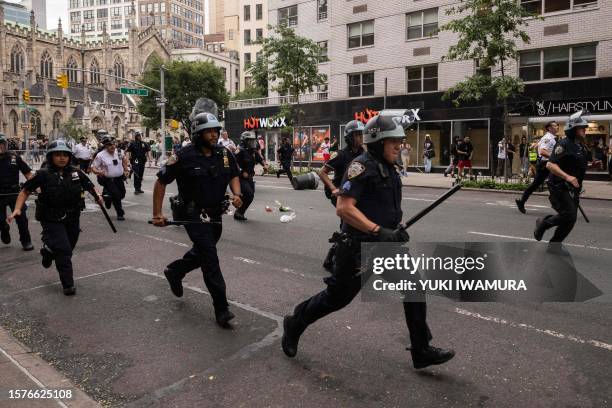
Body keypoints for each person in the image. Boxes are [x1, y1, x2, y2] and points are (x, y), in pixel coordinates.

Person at [281, 113, 455, 369]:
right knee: (336, 298)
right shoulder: (361, 166)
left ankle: (421, 350)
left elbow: (383, 206)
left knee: (414, 288)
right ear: (377, 142)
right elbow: (344, 208)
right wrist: (378, 230)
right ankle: (295, 322)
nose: (399, 146)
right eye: (393, 141)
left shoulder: (389, 167)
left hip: (386, 246)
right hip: (358, 248)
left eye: (400, 140)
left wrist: (394, 230)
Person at [152, 111, 243, 328]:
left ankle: (175, 271)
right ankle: (222, 309)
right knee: (210, 259)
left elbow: (233, 174)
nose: (213, 135)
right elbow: (161, 182)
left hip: (215, 215)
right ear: (197, 134)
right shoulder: (184, 155)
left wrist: (237, 194)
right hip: (193, 214)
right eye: (208, 132)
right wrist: (157, 213)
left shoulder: (224, 153)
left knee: (203, 252)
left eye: (216, 131)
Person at [8, 140, 103, 296]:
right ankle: (68, 285)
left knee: (68, 246)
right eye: (57, 155)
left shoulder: (76, 172)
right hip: (51, 218)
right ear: (51, 156)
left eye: (65, 155)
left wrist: (97, 196)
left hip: (73, 217)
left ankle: (48, 251)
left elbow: (89, 186)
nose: (61, 158)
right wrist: (17, 209)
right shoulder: (43, 174)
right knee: (64, 250)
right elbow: (25, 191)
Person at [534, 112, 588, 250]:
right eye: (581, 127)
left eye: (585, 127)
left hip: (573, 188)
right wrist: (567, 177)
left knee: (571, 219)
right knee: (568, 214)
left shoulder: (580, 146)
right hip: (559, 186)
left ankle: (554, 245)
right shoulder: (563, 144)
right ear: (573, 129)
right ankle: (544, 223)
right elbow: (550, 165)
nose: (585, 129)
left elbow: (575, 164)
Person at [318, 120, 365, 272]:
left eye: (361, 135)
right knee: (349, 223)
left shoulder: (363, 154)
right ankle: (335, 259)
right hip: (339, 192)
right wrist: (333, 188)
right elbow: (322, 173)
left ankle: (338, 258)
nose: (361, 138)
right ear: (350, 137)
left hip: (353, 194)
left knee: (352, 226)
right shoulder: (340, 154)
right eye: (357, 135)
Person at [515, 121, 559, 214]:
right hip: (545, 164)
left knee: (554, 182)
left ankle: (557, 203)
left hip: (548, 163)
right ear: (549, 128)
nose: (557, 127)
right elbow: (543, 152)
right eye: (555, 126)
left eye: (558, 125)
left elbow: (537, 145)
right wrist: (554, 157)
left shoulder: (548, 137)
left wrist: (536, 144)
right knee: (538, 184)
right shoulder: (548, 138)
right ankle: (522, 201)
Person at [0, 133, 34, 251]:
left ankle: (26, 240)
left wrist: (36, 186)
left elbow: (28, 174)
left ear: (6, 145)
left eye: (1, 144)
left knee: (21, 218)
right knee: (0, 220)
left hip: (14, 193)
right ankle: (4, 229)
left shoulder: (14, 158)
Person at [91, 137, 129, 221]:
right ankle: (120, 213)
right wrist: (99, 171)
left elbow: (124, 160)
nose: (112, 146)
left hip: (119, 178)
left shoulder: (119, 152)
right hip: (108, 179)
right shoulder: (100, 155)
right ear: (105, 146)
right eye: (109, 145)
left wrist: (126, 169)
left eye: (113, 144)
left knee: (122, 193)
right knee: (116, 195)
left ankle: (107, 197)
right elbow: (93, 168)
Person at [234, 131, 267, 221]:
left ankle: (239, 207)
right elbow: (234, 163)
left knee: (250, 195)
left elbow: (259, 159)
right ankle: (239, 212)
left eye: (253, 141)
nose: (252, 143)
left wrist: (264, 165)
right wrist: (241, 171)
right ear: (244, 141)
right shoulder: (239, 150)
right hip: (240, 178)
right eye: (250, 141)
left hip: (249, 177)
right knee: (249, 194)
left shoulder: (253, 150)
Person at [126, 130, 150, 195]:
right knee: (136, 174)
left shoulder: (144, 143)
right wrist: (128, 161)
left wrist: (150, 160)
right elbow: (128, 151)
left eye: (141, 135)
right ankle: (136, 189)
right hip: (135, 161)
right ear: (137, 136)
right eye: (140, 135)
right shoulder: (132, 143)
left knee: (140, 175)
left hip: (142, 161)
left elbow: (148, 151)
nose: (141, 136)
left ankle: (139, 188)